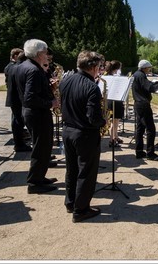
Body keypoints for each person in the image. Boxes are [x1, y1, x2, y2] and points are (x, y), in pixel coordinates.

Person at [59, 50, 106, 223]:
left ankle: (70, 202)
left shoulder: (65, 80)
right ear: (93, 67)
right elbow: (93, 118)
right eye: (99, 67)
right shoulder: (92, 87)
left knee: (71, 169)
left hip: (67, 130)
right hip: (85, 134)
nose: (99, 70)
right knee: (86, 172)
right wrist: (103, 122)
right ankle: (81, 210)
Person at [15, 39, 59, 194]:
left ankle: (39, 177)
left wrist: (49, 87)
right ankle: (34, 183)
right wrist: (51, 103)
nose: (47, 55)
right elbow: (30, 98)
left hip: (32, 113)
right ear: (39, 54)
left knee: (43, 147)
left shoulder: (24, 66)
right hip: (37, 114)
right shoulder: (33, 70)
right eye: (46, 52)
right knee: (41, 148)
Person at [132, 59, 158, 160]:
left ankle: (139, 151)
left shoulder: (137, 74)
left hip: (138, 104)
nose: (149, 69)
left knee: (140, 129)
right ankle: (150, 153)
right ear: (145, 68)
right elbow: (151, 88)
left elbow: (148, 85)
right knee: (150, 129)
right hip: (143, 105)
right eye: (149, 68)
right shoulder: (141, 75)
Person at [5, 50, 31, 152]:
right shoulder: (16, 68)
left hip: (15, 98)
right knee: (18, 121)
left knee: (18, 121)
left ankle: (19, 143)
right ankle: (19, 144)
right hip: (17, 98)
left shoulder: (14, 67)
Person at [105, 60, 125, 147]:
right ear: (117, 68)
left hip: (113, 100)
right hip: (114, 100)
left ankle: (115, 136)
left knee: (116, 120)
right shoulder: (112, 77)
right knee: (114, 121)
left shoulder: (108, 75)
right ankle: (111, 140)